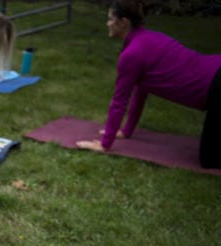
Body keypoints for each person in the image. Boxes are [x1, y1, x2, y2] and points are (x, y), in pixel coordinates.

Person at [77, 0, 221, 169]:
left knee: (209, 160)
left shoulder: (132, 53)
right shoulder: (146, 38)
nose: (107, 23)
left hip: (215, 87)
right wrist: (126, 131)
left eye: (110, 19)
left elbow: (119, 101)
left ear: (123, 22)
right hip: (216, 72)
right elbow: (142, 89)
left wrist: (104, 144)